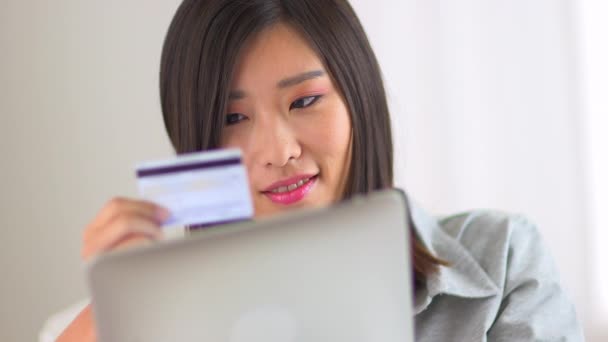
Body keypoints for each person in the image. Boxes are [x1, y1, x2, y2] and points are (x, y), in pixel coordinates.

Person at [48, 0, 583, 341]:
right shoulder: (127, 329)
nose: (277, 150)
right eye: (232, 117)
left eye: (304, 102)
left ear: (359, 100)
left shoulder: (505, 260)